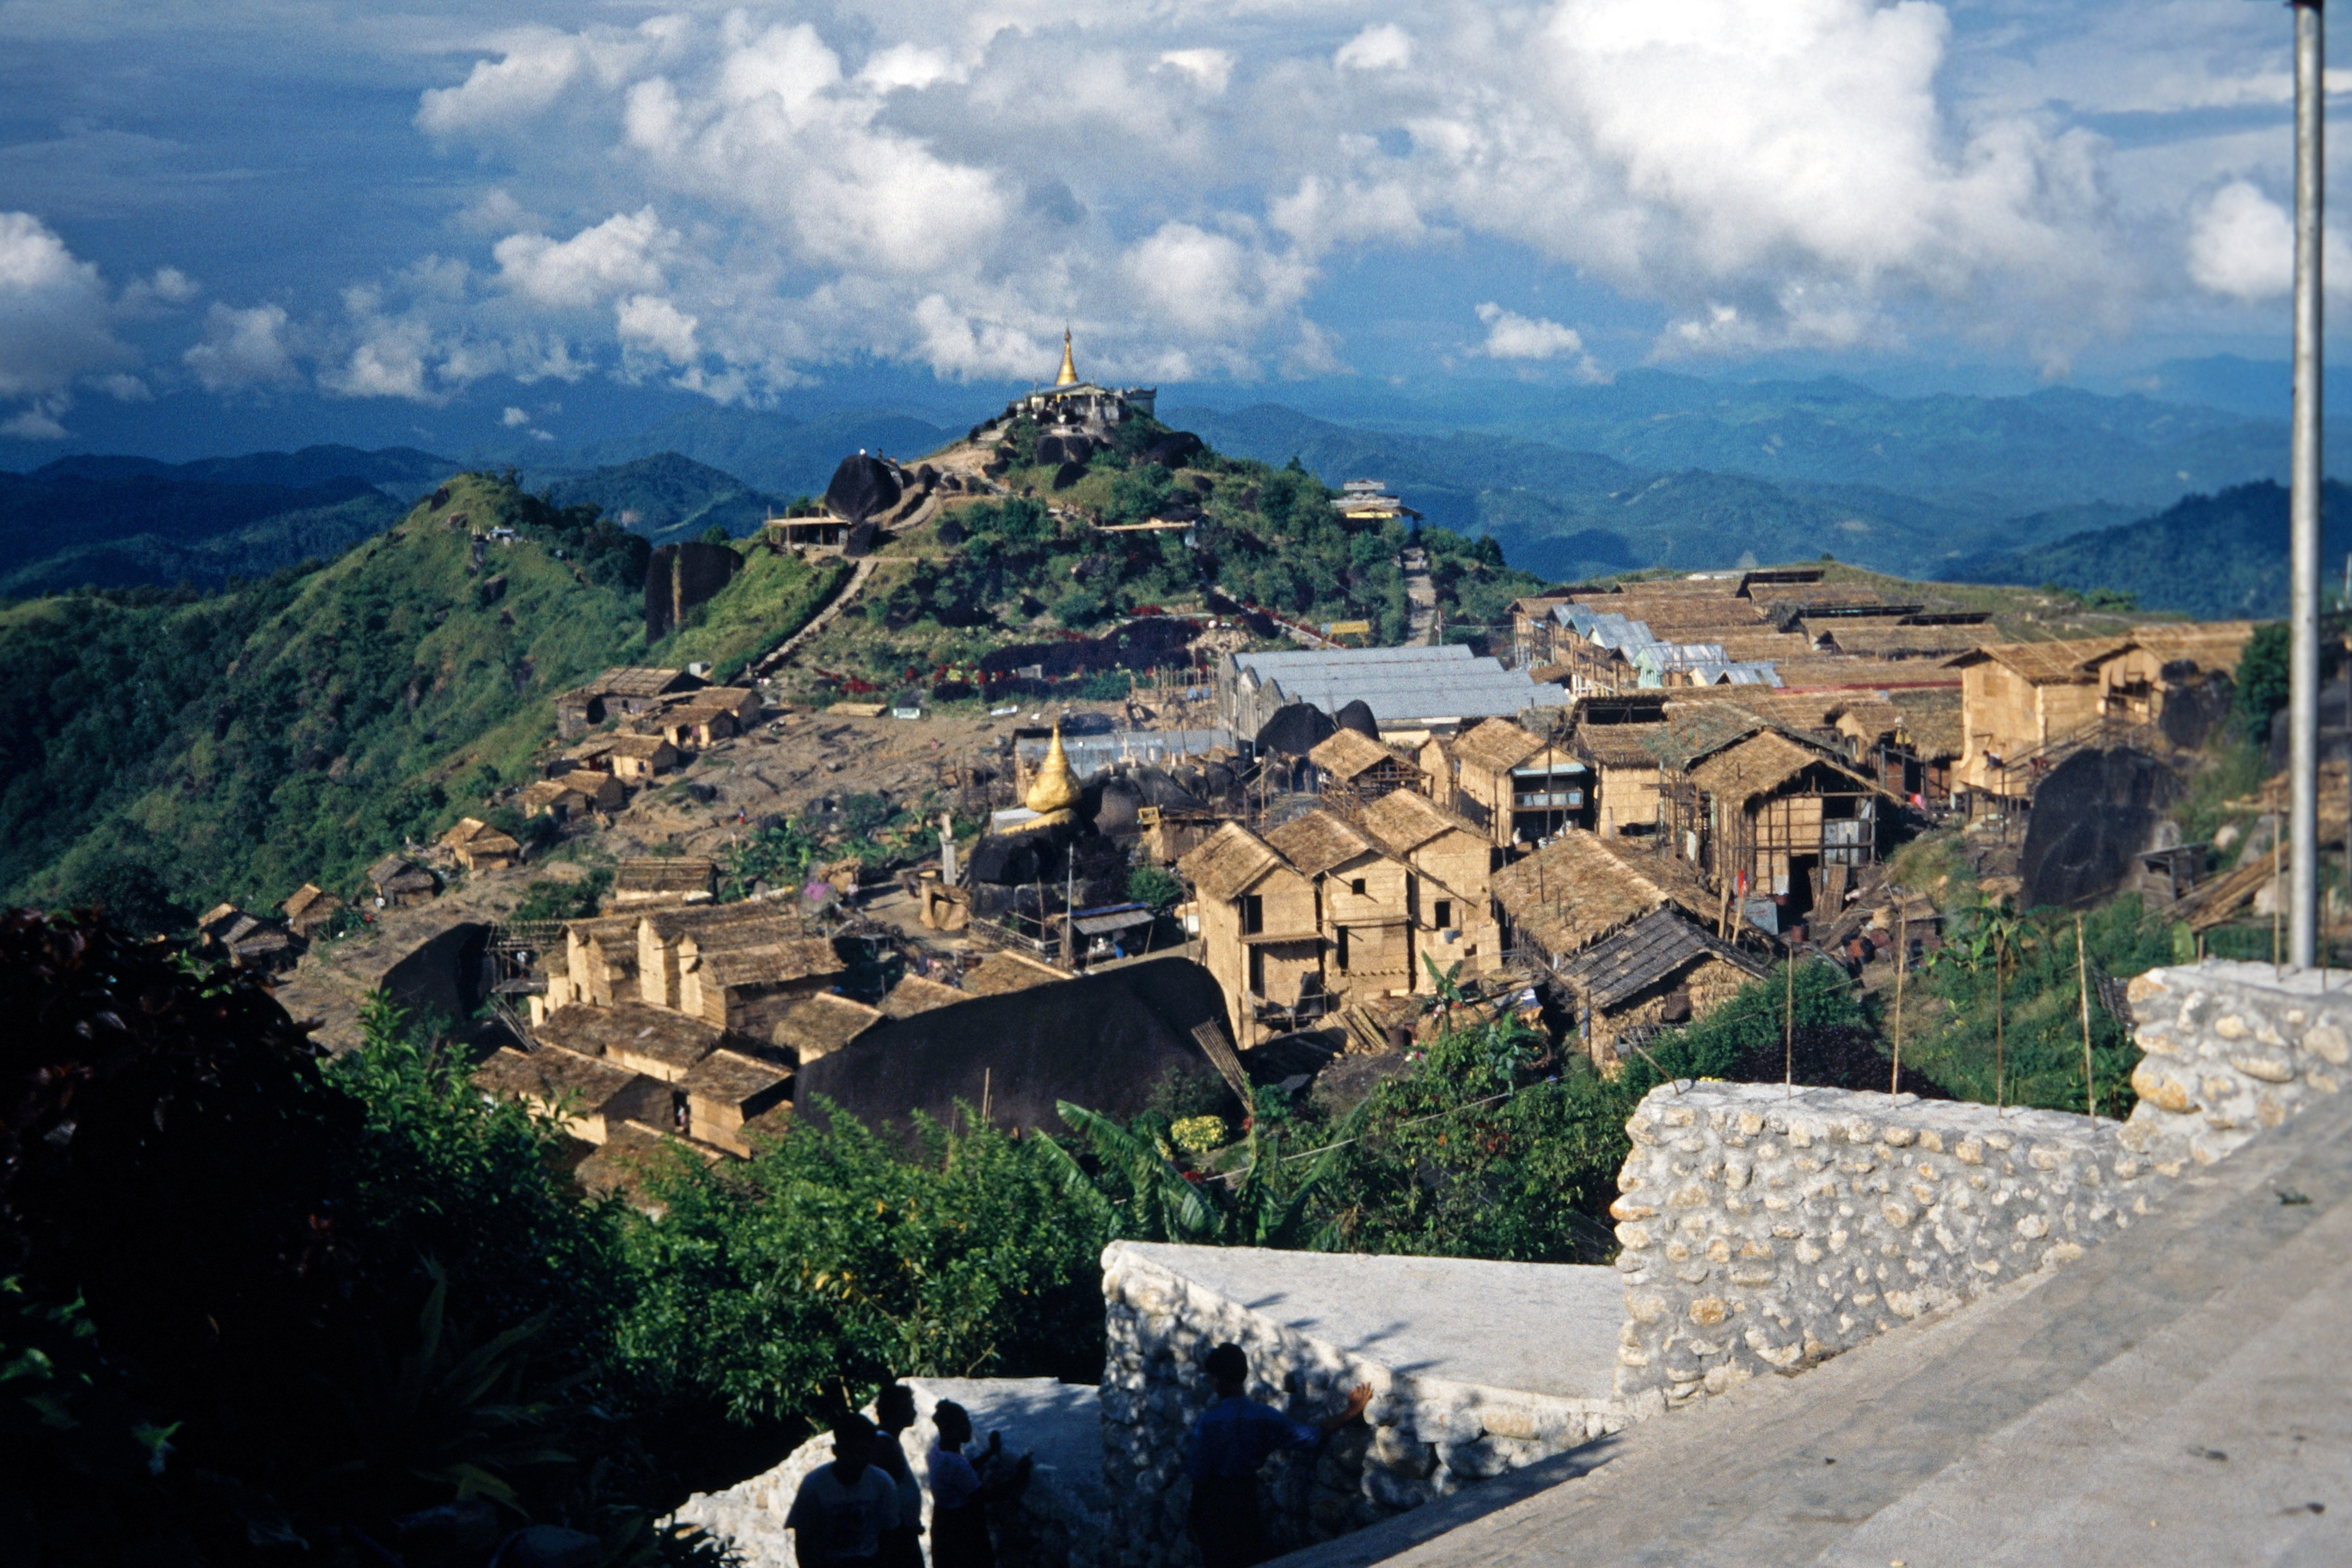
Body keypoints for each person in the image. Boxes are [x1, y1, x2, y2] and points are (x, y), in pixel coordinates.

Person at [1184, 1344, 1371, 1568]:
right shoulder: (1264, 1417)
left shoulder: (1208, 1423)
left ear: (1216, 1380)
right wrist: (1350, 1412)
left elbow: (1199, 1474)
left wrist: (1194, 1514)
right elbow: (1311, 1436)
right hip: (1246, 1499)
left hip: (1213, 1504)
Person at [927, 1400, 1031, 1568]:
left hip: (944, 1523)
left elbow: (964, 1471)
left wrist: (990, 1452)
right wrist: (1019, 1476)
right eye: (963, 1423)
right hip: (961, 1531)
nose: (968, 1427)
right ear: (951, 1431)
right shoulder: (955, 1464)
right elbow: (984, 1495)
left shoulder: (938, 1451)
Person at [786, 1412, 899, 1566]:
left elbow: (889, 1534)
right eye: (849, 1451)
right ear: (835, 1450)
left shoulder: (883, 1483)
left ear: (872, 1451)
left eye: (863, 1451)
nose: (856, 1458)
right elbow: (803, 1539)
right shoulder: (813, 1485)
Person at [872, 1383, 925, 1568]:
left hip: (903, 1533)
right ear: (896, 1411)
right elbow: (886, 1497)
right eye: (909, 1407)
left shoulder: (889, 1441)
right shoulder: (884, 1446)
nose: (914, 1412)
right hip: (898, 1540)